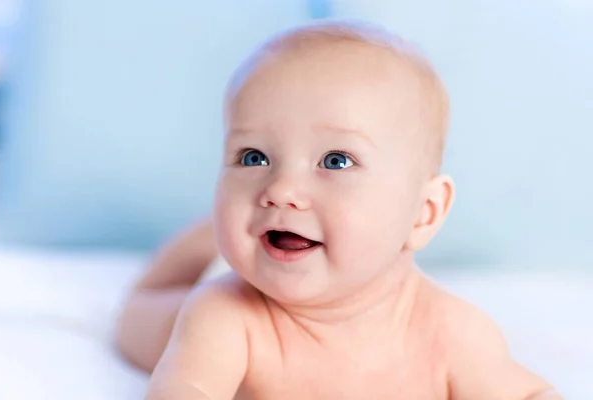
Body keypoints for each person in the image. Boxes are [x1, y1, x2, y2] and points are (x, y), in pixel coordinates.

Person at [115, 19, 562, 400]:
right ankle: (197, 245)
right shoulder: (223, 316)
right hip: (180, 315)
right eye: (254, 157)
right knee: (137, 319)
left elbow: (526, 392)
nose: (281, 189)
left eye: (336, 161)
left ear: (423, 214)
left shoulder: (453, 333)